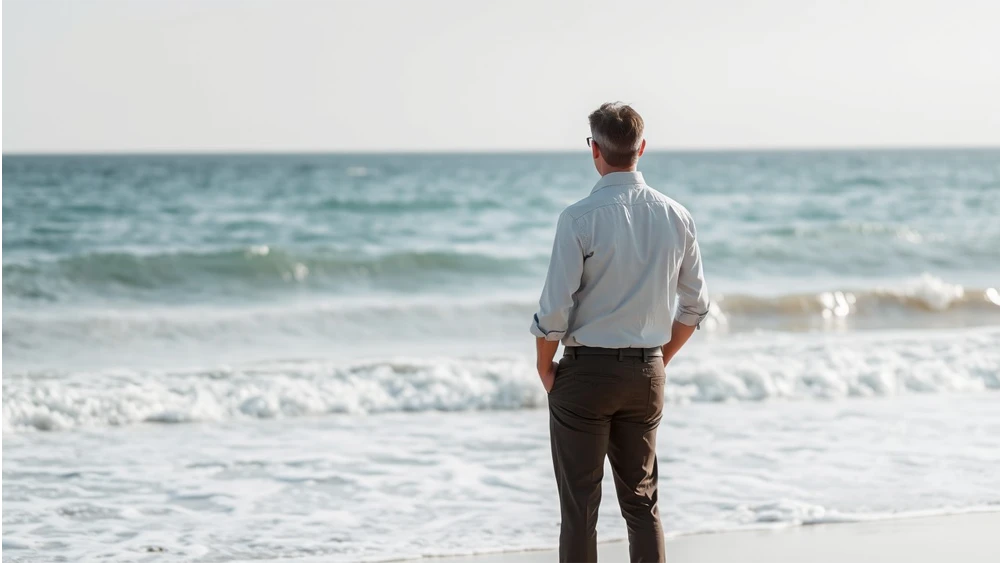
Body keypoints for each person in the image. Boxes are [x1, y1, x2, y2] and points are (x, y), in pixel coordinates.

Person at [531, 102, 710, 563]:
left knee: (580, 509)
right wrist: (659, 358)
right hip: (646, 372)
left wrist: (544, 367)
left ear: (594, 150)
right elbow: (695, 306)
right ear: (641, 149)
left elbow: (554, 308)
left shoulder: (578, 218)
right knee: (642, 504)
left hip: (585, 376)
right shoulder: (677, 216)